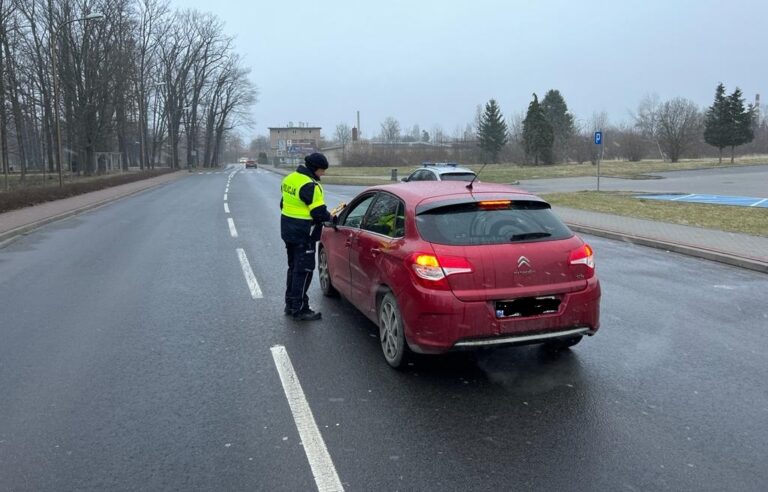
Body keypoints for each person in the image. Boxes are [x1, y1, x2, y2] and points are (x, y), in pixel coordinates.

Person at [280, 153, 332, 321]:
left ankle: (290, 304)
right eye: (322, 170)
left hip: (288, 231)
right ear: (314, 168)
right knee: (304, 271)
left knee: (294, 268)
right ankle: (300, 308)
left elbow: (283, 203)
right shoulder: (311, 186)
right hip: (304, 234)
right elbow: (318, 213)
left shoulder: (290, 179)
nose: (323, 173)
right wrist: (332, 218)